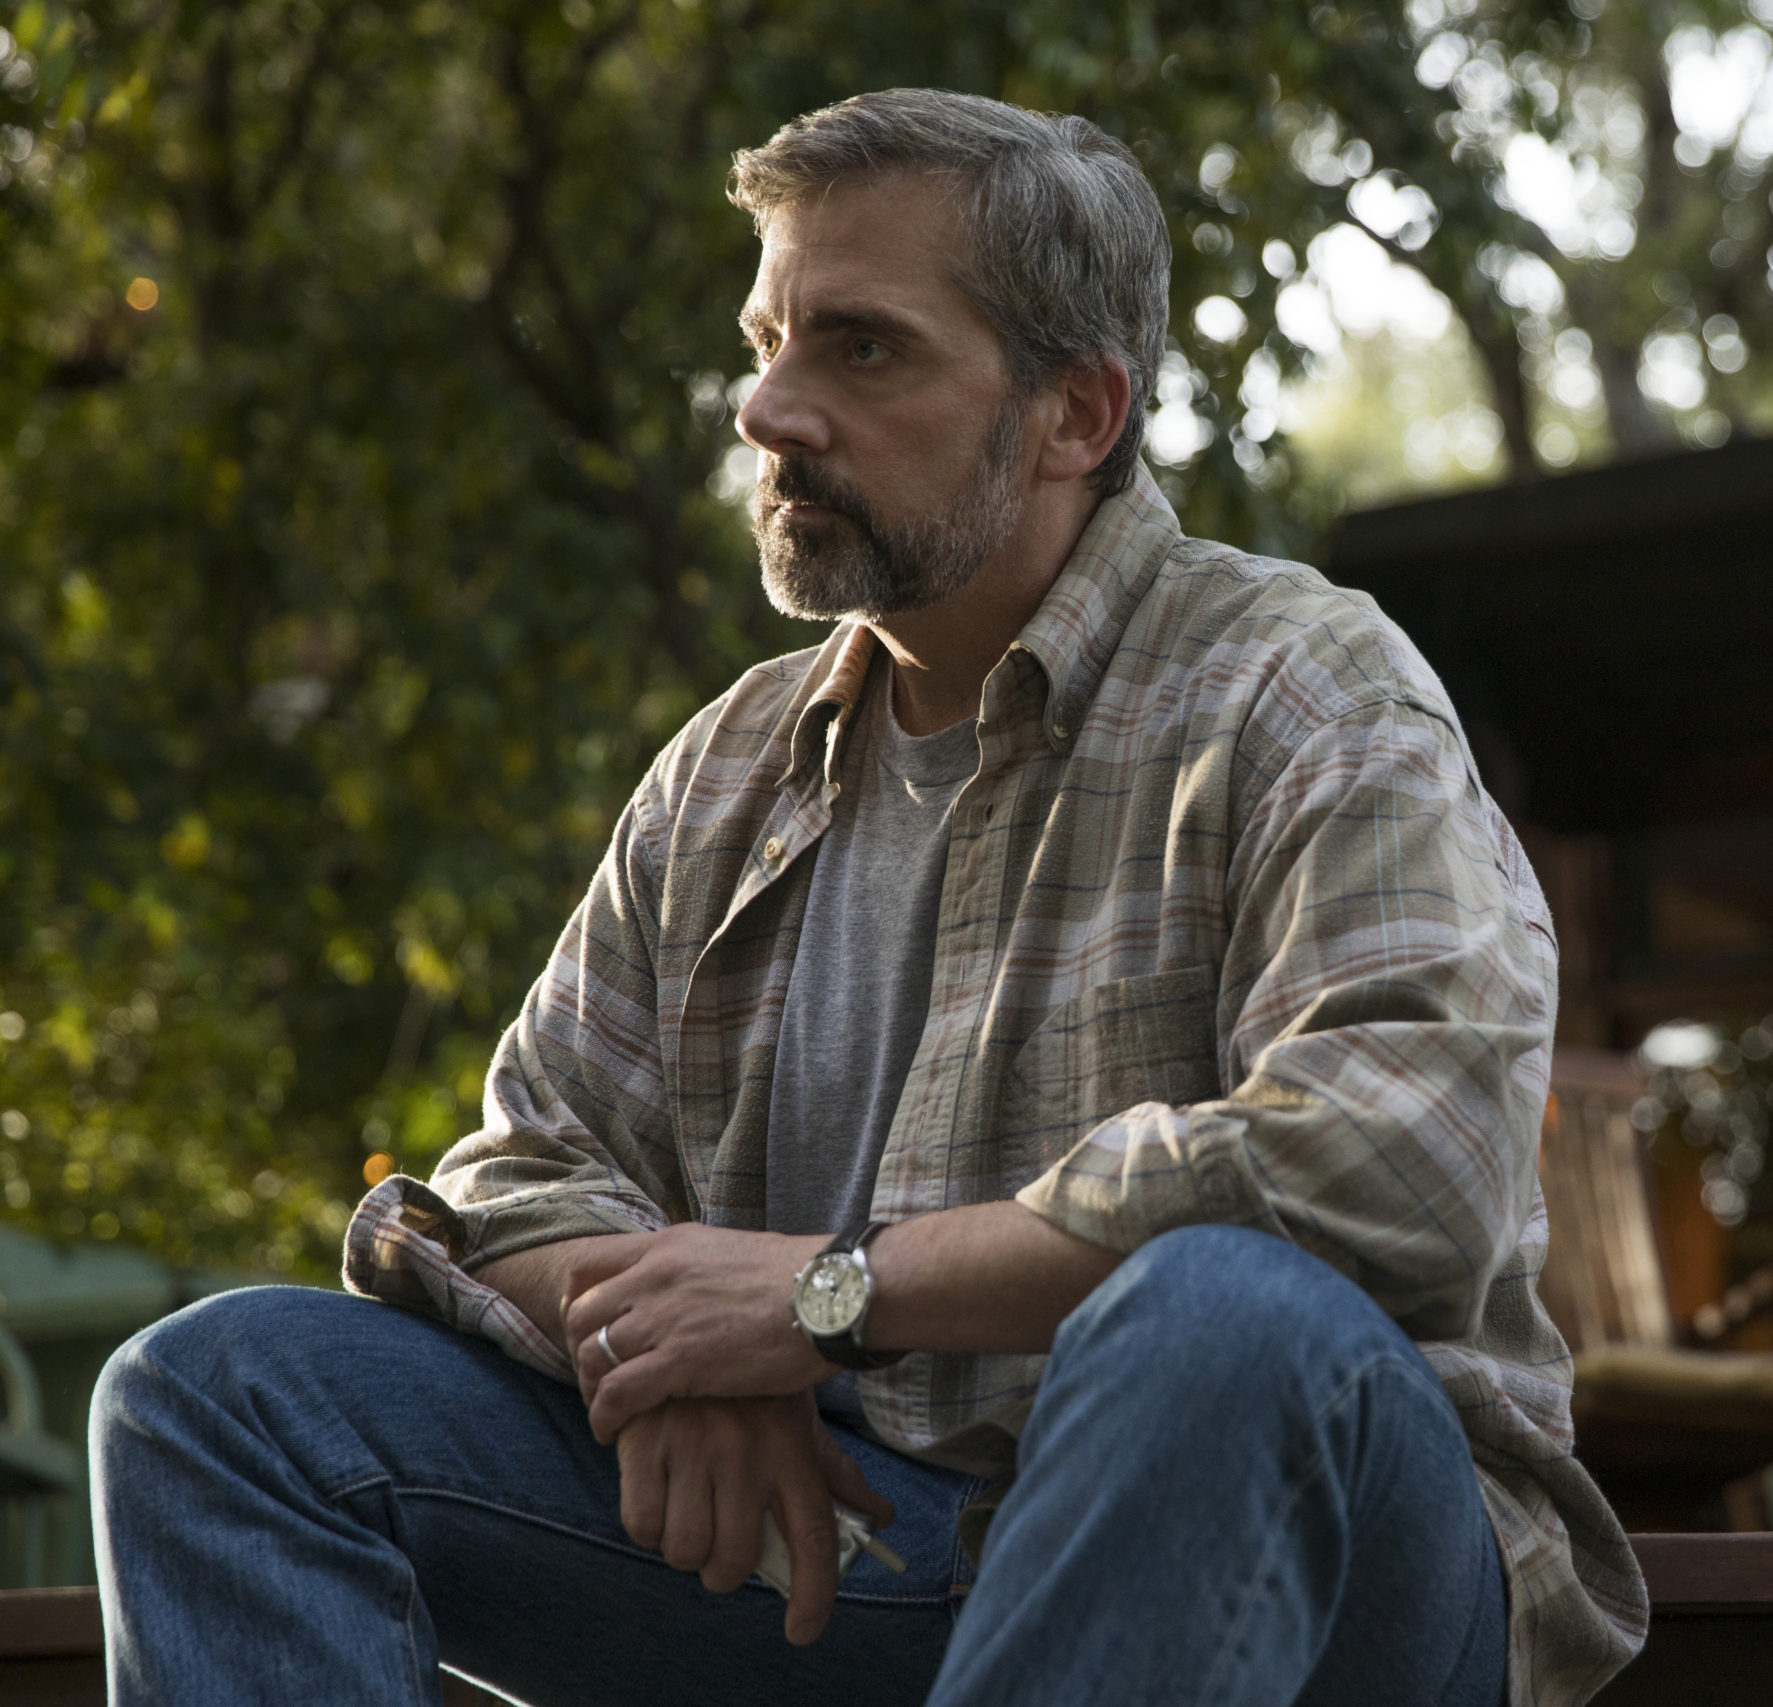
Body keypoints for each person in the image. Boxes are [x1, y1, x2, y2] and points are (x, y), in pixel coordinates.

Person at [88, 88, 1645, 1707]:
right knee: (216, 1397)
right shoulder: (727, 769)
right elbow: (520, 1177)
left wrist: (828, 1299)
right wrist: (676, 1347)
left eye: (864, 350)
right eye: (767, 342)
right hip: (850, 1550)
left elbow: (1399, 1161)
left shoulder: (1301, 687)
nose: (770, 410)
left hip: (1313, 1570)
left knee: (1221, 1314)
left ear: (1076, 413)